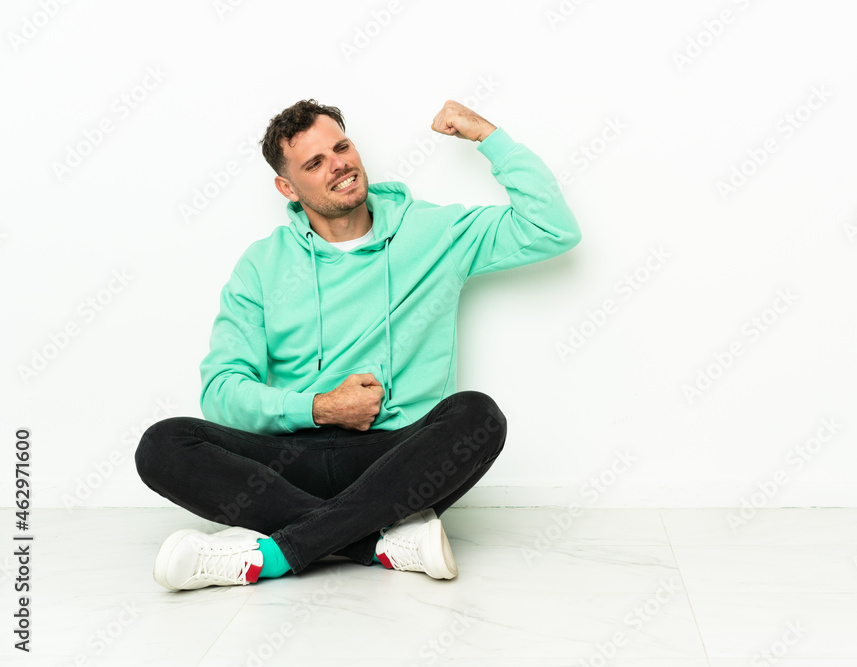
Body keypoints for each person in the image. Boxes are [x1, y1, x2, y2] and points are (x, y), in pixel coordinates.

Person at [134, 98, 581, 591]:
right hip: (290, 464)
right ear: (287, 186)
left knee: (479, 416)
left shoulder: (435, 232)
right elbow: (222, 391)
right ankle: (375, 542)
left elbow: (552, 228)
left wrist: (488, 137)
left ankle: (274, 554)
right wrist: (320, 408)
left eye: (341, 147)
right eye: (314, 163)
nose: (339, 164)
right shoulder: (262, 266)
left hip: (396, 461)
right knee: (163, 445)